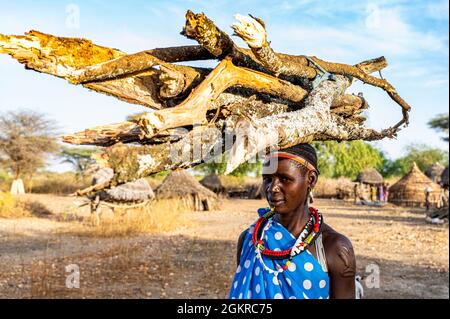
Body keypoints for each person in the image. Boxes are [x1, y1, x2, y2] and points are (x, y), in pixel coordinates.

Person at [229, 144, 356, 299]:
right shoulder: (250, 240)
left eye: (285, 179)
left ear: (311, 179)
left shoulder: (334, 248)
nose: (272, 188)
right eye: (267, 179)